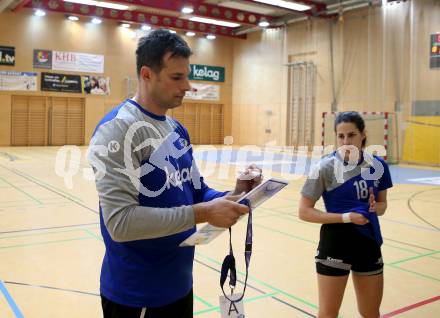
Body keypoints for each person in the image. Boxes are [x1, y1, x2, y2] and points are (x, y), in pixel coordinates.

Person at [87, 29, 262, 318]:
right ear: (147, 74)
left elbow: (195, 191)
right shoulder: (117, 130)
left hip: (178, 286)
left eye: (186, 76)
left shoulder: (176, 129)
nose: (188, 86)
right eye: (176, 78)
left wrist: (235, 194)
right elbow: (120, 222)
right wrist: (203, 213)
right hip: (137, 294)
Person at [298, 111, 392, 318]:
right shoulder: (324, 167)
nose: (346, 141)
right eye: (341, 136)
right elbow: (304, 211)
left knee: (371, 312)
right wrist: (346, 217)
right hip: (335, 244)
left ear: (363, 135)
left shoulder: (378, 166)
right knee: (328, 313)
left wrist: (378, 208)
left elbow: (383, 205)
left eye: (351, 135)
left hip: (368, 244)